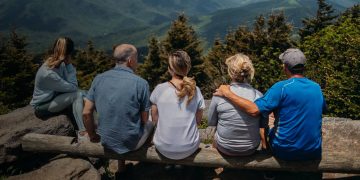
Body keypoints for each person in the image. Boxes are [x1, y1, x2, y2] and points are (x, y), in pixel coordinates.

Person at [214, 48, 326, 161]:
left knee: (270, 119)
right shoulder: (316, 87)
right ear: (303, 67)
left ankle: (266, 155)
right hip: (313, 150)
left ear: (285, 67)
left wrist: (227, 93)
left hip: (286, 150)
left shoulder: (281, 87)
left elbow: (254, 110)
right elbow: (321, 109)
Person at [82, 44, 153, 173]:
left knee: (118, 117)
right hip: (131, 143)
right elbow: (144, 119)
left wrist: (92, 135)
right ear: (130, 60)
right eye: (137, 58)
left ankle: (121, 167)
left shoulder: (99, 79)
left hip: (106, 140)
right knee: (150, 122)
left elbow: (86, 112)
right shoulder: (141, 83)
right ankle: (145, 160)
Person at [208, 54, 267, 156]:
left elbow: (211, 122)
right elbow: (263, 124)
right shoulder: (258, 95)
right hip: (251, 148)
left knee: (216, 136)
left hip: (225, 148)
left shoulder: (220, 94)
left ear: (230, 73)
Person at [150, 50, 205, 160]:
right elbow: (198, 121)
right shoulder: (196, 90)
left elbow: (155, 119)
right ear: (188, 68)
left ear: (170, 69)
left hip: (163, 147)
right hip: (189, 147)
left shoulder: (159, 89)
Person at [30, 37, 86, 136]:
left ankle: (94, 126)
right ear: (69, 54)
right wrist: (70, 66)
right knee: (77, 95)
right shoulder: (49, 73)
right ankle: (83, 132)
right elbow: (73, 87)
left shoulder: (56, 63)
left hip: (54, 99)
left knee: (85, 93)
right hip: (42, 107)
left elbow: (70, 87)